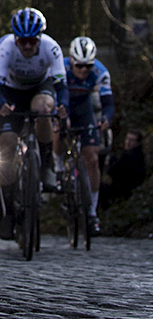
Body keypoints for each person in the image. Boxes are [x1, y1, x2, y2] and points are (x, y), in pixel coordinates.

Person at [0, 7, 69, 239]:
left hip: (39, 89)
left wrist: (62, 105)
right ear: (15, 38)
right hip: (11, 92)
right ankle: (9, 212)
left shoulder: (51, 47)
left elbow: (61, 85)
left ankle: (45, 166)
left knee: (44, 109)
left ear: (39, 39)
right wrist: (1, 104)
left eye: (31, 42)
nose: (26, 47)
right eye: (22, 41)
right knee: (7, 146)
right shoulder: (5, 48)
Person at [53, 35, 114, 235]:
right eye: (79, 65)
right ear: (71, 60)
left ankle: (92, 211)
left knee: (93, 158)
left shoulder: (100, 71)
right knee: (59, 129)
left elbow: (108, 103)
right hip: (64, 103)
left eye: (88, 66)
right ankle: (59, 168)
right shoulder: (60, 67)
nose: (84, 70)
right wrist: (61, 114)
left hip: (84, 109)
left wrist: (106, 117)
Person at [101, 130, 146, 208]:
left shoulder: (131, 156)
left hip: (124, 189)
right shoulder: (136, 155)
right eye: (127, 139)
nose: (128, 143)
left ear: (137, 143)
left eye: (132, 140)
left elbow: (113, 170)